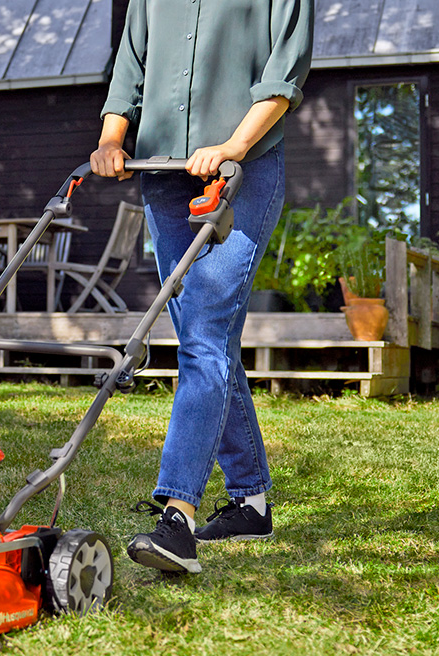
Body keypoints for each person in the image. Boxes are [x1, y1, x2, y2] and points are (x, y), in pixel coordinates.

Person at [90, 0, 314, 574]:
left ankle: (178, 515)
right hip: (162, 173)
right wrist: (113, 138)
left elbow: (283, 75)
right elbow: (130, 68)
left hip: (242, 173)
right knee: (202, 335)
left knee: (205, 335)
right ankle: (251, 500)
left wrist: (233, 145)